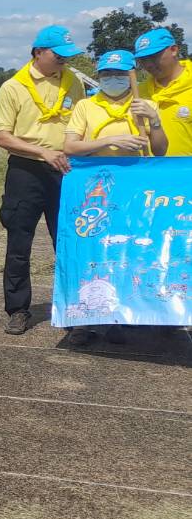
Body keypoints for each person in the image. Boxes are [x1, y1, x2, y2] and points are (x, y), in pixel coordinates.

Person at [62, 50, 167, 348]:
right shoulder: (86, 106)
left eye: (119, 74)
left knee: (127, 250)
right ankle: (83, 320)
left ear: (131, 76)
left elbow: (160, 150)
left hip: (134, 187)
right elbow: (70, 146)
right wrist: (109, 141)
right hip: (95, 186)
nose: (112, 79)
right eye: (106, 74)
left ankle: (119, 316)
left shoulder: (145, 104)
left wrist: (154, 121)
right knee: (90, 250)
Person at [0, 25, 83, 335]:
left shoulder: (73, 82)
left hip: (65, 170)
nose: (64, 61)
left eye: (67, 56)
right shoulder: (13, 87)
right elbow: (2, 136)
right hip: (26, 171)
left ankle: (74, 308)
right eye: (58, 56)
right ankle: (18, 309)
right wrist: (42, 151)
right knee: (19, 243)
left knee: (68, 241)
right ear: (38, 52)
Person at [131, 27, 192, 156]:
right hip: (151, 167)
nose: (148, 64)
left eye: (153, 57)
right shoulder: (139, 93)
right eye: (143, 60)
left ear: (174, 50)